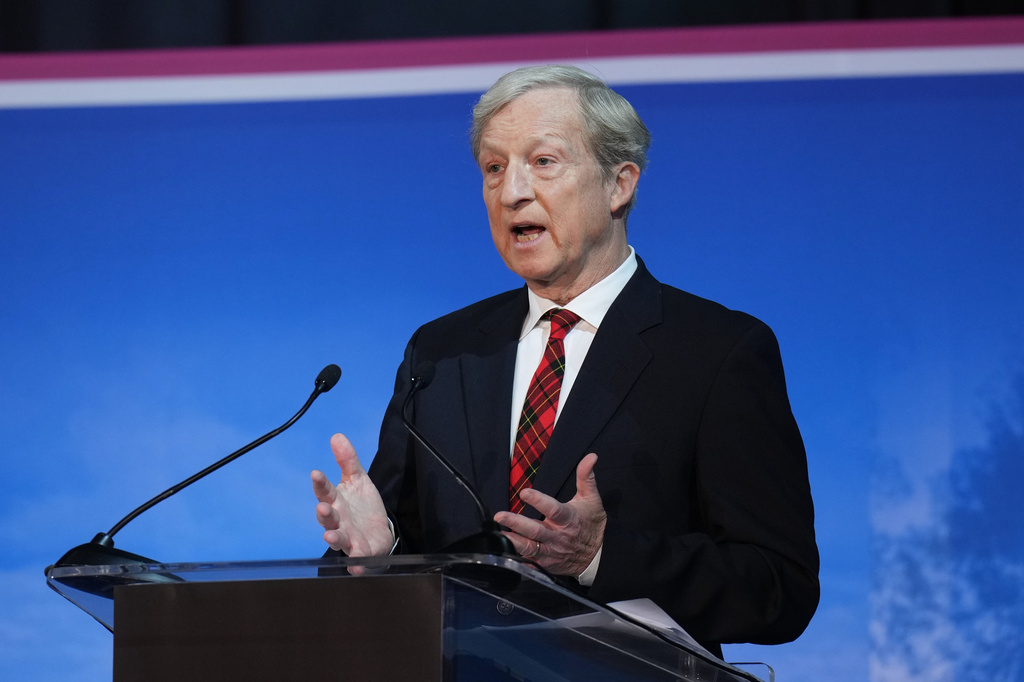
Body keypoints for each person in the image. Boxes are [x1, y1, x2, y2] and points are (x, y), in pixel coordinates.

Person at [311, 64, 819, 655]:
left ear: (619, 184)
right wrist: (380, 553)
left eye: (543, 162)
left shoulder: (716, 352)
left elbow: (778, 587)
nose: (511, 191)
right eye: (493, 168)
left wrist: (601, 557)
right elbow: (401, 551)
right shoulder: (443, 352)